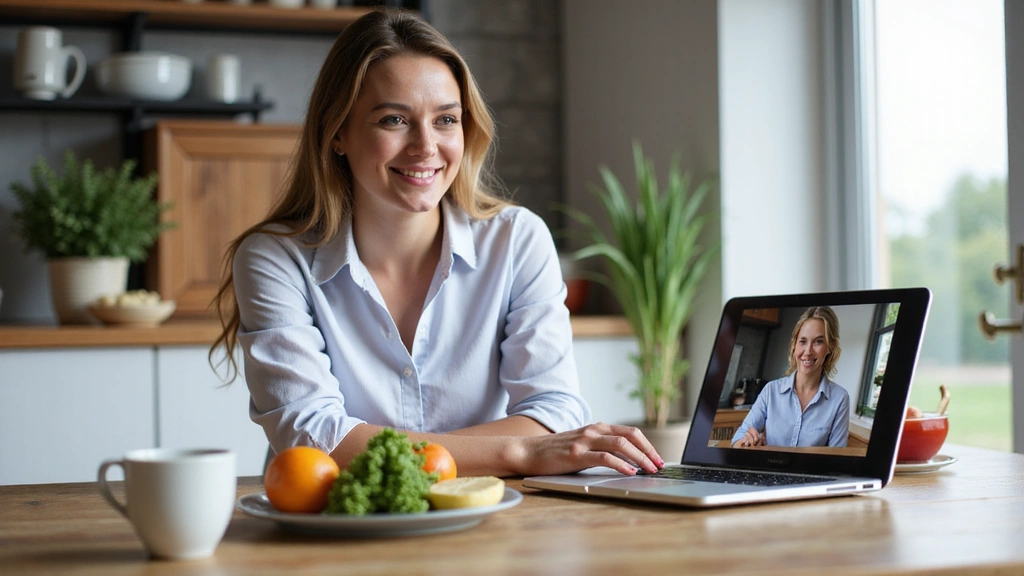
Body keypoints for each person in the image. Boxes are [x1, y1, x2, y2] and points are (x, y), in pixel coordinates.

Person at [210, 10, 663, 478]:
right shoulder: (275, 259)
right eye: (394, 120)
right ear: (338, 132)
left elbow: (555, 412)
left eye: (446, 119)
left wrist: (366, 447)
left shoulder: (517, 240)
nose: (426, 147)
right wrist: (518, 451)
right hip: (333, 523)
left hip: (485, 520)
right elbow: (312, 436)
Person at [730, 306, 850, 448]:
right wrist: (746, 443)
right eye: (803, 341)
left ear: (830, 347)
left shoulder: (839, 399)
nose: (808, 351)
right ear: (794, 346)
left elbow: (836, 461)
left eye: (818, 341)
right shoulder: (771, 391)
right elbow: (739, 437)